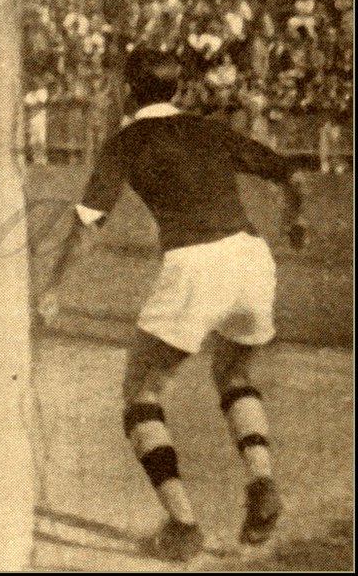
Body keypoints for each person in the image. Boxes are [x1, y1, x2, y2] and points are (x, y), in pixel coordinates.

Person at [38, 48, 308, 562]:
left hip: (194, 264)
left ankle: (183, 526)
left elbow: (89, 222)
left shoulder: (127, 140)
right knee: (233, 374)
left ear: (127, 91)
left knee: (141, 392)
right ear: (177, 90)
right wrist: (296, 219)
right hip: (252, 258)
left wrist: (53, 287)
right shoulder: (209, 128)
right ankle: (262, 482)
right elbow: (290, 173)